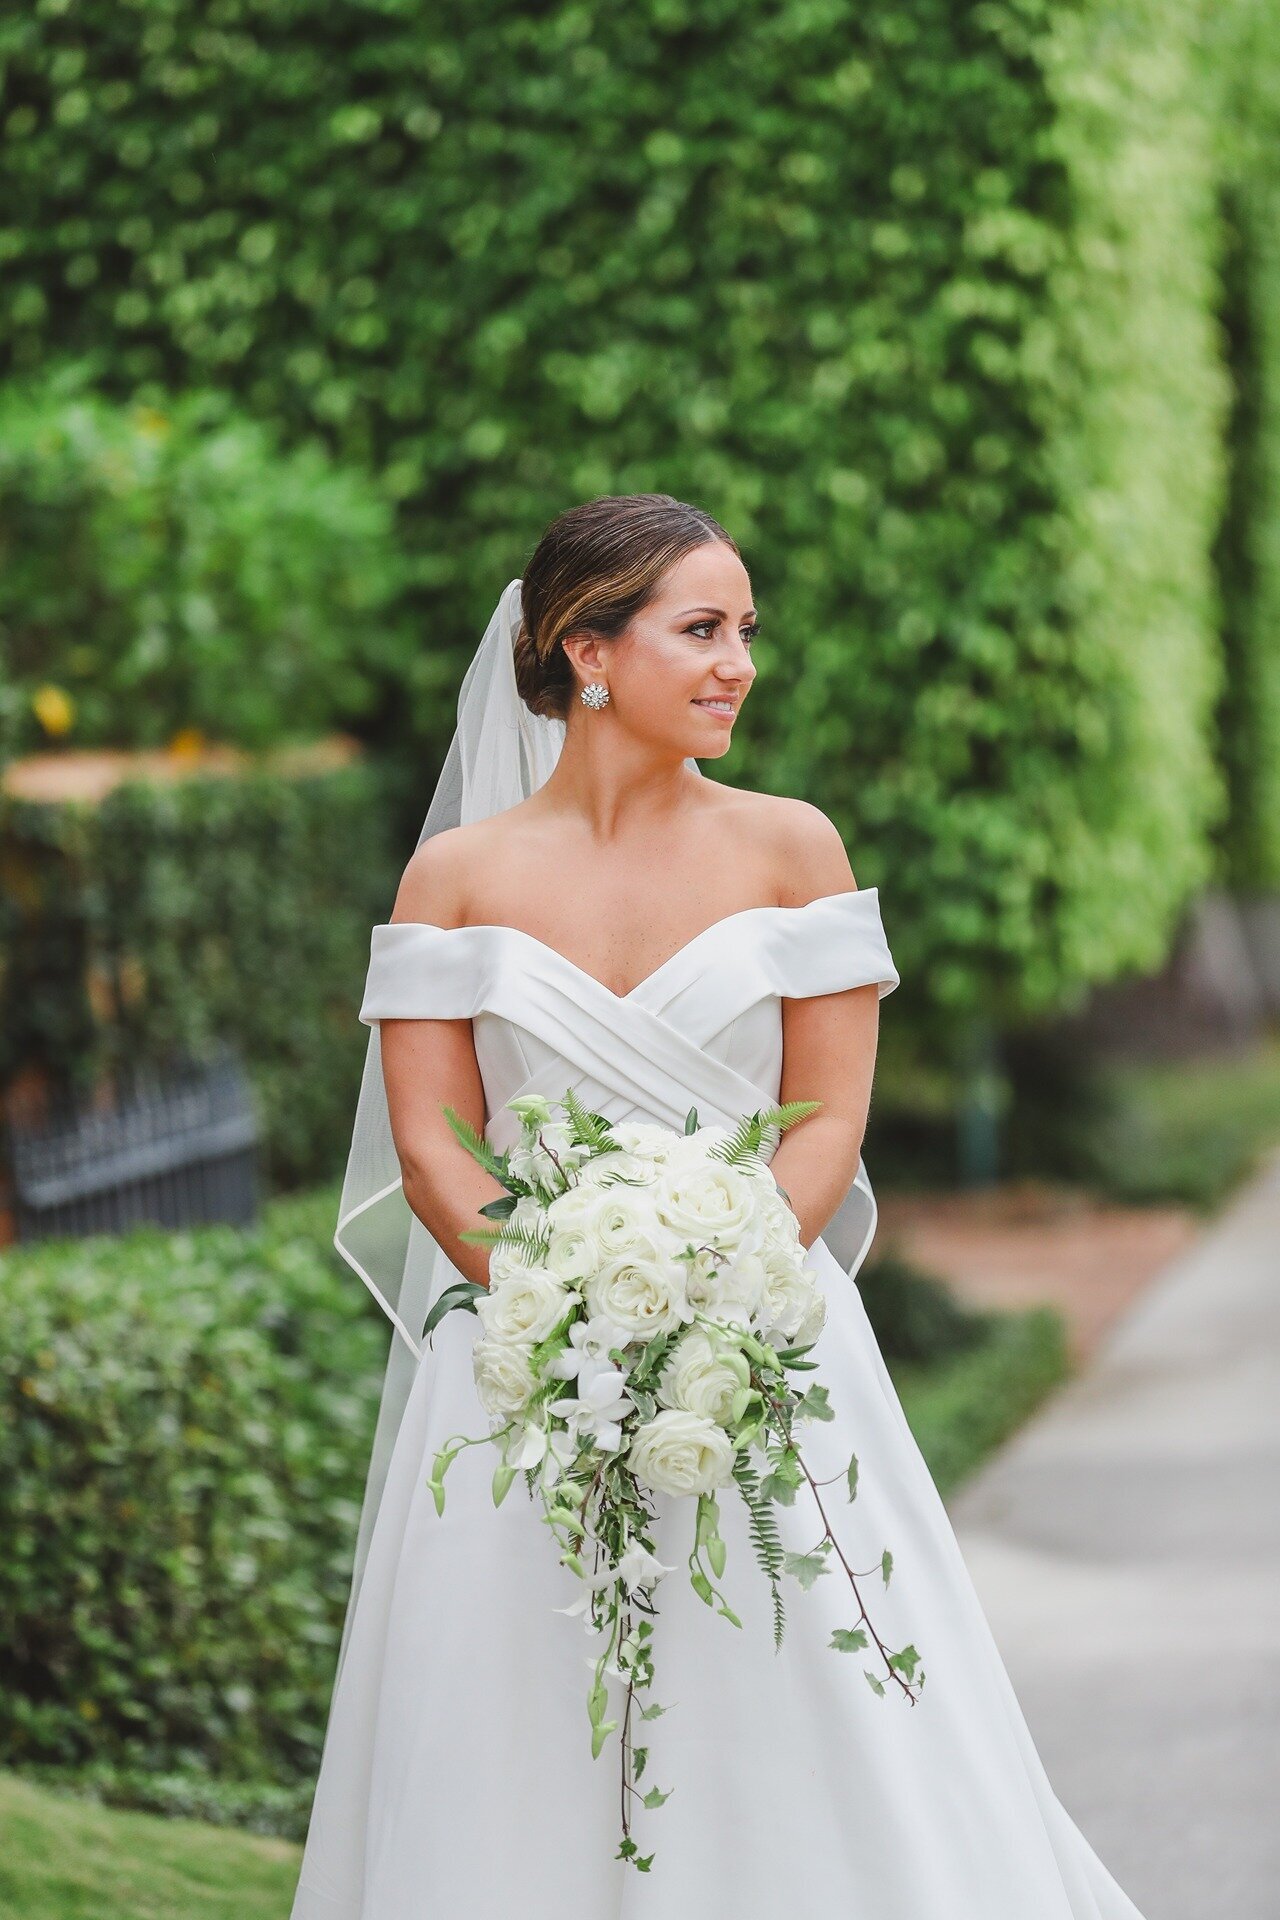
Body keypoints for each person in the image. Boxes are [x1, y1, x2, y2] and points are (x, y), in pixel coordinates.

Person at [289, 493, 1147, 1917]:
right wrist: (563, 1310)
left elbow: (826, 1126)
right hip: (520, 1371)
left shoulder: (791, 848)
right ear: (585, 651)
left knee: (810, 1689)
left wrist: (715, 1294)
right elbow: (439, 1151)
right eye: (702, 630)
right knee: (512, 1722)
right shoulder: (455, 880)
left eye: (745, 630)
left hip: (765, 1346)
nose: (740, 661)